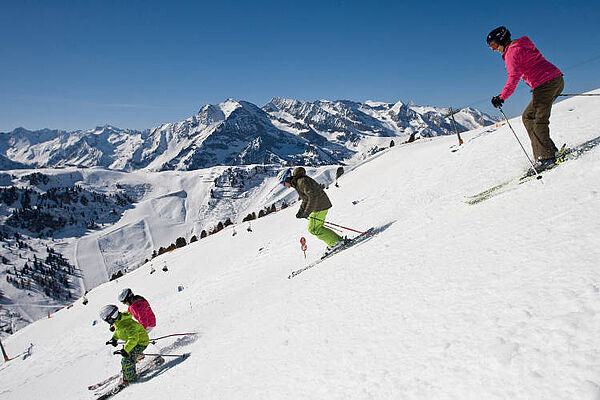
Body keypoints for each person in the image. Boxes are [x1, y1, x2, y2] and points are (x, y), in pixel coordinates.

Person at [487, 26, 564, 175]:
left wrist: (501, 97)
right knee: (528, 117)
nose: (493, 49)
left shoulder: (511, 53)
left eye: (494, 45)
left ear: (502, 40)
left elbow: (513, 78)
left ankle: (546, 158)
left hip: (545, 84)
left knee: (537, 119)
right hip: (555, 80)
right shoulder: (521, 45)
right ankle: (548, 151)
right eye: (491, 47)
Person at [283, 167, 347, 251]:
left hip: (319, 206)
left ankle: (336, 242)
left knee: (314, 229)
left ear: (287, 180)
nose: (285, 186)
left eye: (283, 183)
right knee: (316, 228)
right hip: (320, 205)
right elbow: (305, 199)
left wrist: (306, 212)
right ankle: (337, 241)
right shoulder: (299, 182)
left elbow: (312, 196)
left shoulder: (302, 182)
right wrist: (301, 211)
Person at [100, 304, 150, 385]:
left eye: (107, 320)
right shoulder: (119, 321)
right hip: (133, 342)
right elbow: (118, 331)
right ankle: (136, 360)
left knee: (126, 359)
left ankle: (130, 378)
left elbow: (133, 339)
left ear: (112, 316)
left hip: (140, 343)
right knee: (127, 355)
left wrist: (125, 350)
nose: (107, 322)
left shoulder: (127, 324)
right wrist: (114, 339)